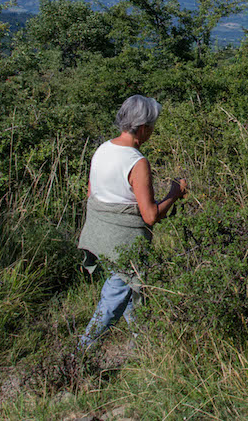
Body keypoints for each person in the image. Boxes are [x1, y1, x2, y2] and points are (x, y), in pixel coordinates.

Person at [77, 95, 188, 348]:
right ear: (143, 127)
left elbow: (92, 193)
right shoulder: (136, 161)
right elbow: (149, 216)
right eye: (153, 126)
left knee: (126, 288)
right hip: (123, 242)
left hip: (97, 236)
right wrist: (174, 193)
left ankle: (144, 344)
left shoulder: (102, 149)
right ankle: (82, 350)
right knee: (117, 291)